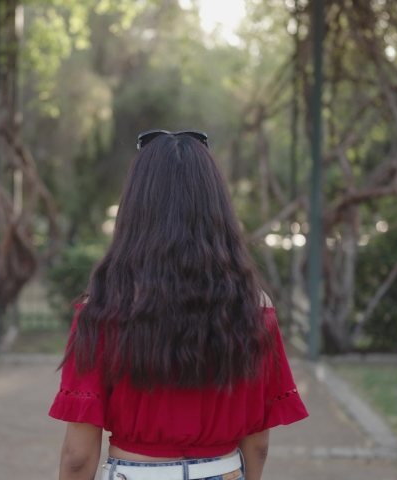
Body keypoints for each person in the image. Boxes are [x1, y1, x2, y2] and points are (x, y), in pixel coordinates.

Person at [49, 130, 308, 480]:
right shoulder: (252, 308)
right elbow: (257, 443)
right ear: (216, 207)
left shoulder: (102, 308)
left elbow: (78, 456)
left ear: (135, 208)